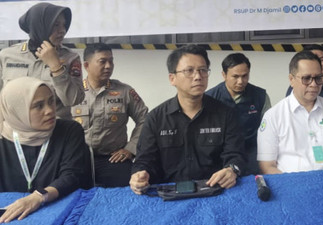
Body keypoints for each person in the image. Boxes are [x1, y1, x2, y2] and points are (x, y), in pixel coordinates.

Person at [0, 77, 91, 225]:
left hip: (61, 209)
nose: (49, 111)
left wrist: (38, 197)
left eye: (51, 101)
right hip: (13, 218)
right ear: (17, 110)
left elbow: (72, 176)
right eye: (38, 106)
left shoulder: (69, 131)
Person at [129, 45, 245, 194]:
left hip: (214, 191)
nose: (198, 76)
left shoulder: (226, 114)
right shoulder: (156, 118)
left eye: (203, 70)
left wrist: (231, 170)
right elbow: (144, 160)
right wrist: (139, 175)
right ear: (172, 78)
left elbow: (236, 155)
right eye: (189, 71)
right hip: (169, 194)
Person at [0, 2, 84, 134]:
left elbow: (73, 100)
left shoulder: (70, 58)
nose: (62, 31)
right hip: (15, 137)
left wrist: (55, 66)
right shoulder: (7, 56)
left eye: (64, 25)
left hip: (54, 136)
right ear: (39, 25)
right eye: (56, 25)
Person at [258, 50, 323, 174]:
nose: (313, 84)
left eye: (318, 78)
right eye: (306, 78)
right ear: (291, 79)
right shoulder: (274, 116)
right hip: (293, 185)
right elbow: (267, 166)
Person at [72, 43, 148, 187]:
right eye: (102, 61)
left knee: (130, 191)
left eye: (111, 61)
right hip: (78, 159)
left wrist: (130, 149)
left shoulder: (124, 91)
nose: (108, 66)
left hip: (113, 159)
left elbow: (145, 119)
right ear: (86, 65)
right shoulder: (73, 92)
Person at [205, 53, 271, 175]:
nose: (241, 81)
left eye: (245, 76)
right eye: (235, 76)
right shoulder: (209, 98)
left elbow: (269, 131)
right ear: (224, 75)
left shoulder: (260, 96)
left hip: (252, 154)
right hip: (220, 157)